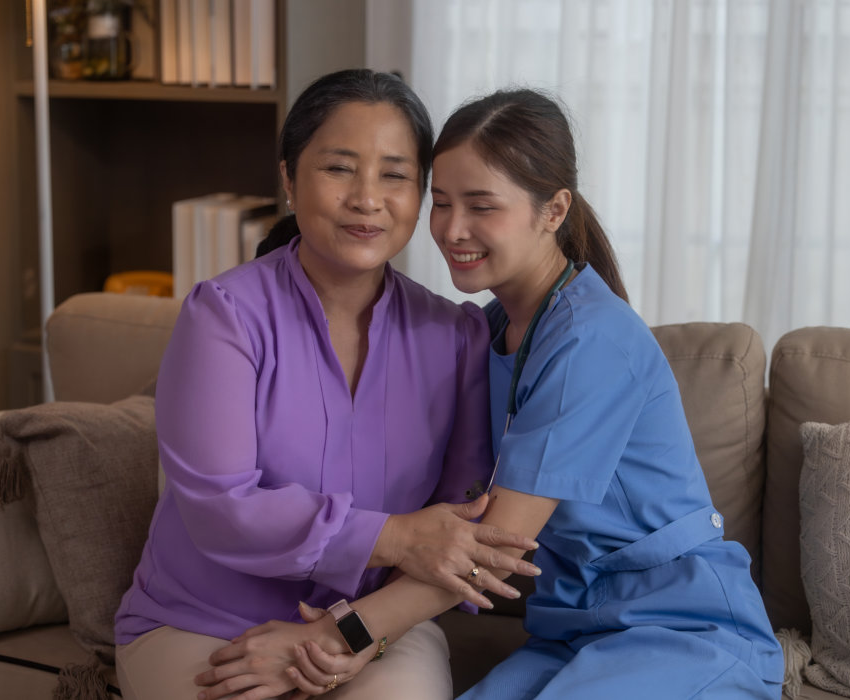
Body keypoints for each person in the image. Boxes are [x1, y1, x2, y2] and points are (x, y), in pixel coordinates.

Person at [196, 88, 784, 700]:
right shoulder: (489, 330)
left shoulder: (592, 342)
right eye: (442, 202)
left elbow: (489, 548)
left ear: (554, 210)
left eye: (482, 206)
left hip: (683, 627)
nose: (453, 229)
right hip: (574, 628)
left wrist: (334, 640)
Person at [112, 70, 541, 700]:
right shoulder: (224, 315)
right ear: (289, 177)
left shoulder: (457, 336)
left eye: (394, 174)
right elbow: (219, 509)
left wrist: (357, 633)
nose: (367, 199)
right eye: (339, 168)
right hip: (200, 624)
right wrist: (396, 535)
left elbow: (459, 528)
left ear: (420, 193)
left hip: (375, 626)